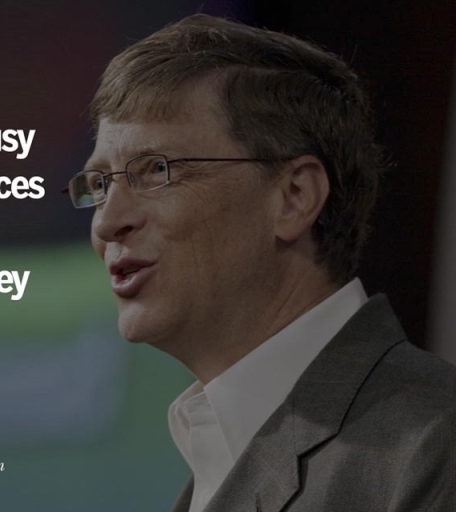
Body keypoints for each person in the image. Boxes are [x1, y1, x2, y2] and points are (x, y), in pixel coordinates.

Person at [65, 14, 456, 512]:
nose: (107, 223)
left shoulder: (434, 445)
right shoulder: (216, 453)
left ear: (294, 197)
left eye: (156, 170)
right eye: (100, 185)